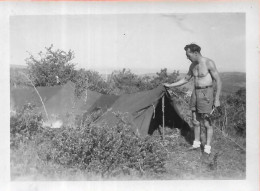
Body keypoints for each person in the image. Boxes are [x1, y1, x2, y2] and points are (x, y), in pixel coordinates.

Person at [163, 43, 222, 155]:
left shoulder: (209, 63)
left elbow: (219, 81)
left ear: (195, 53)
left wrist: (217, 99)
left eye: (188, 55)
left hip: (206, 94)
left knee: (206, 122)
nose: (187, 57)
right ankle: (196, 144)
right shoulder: (193, 65)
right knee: (195, 120)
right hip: (195, 93)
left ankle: (207, 149)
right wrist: (170, 85)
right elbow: (186, 79)